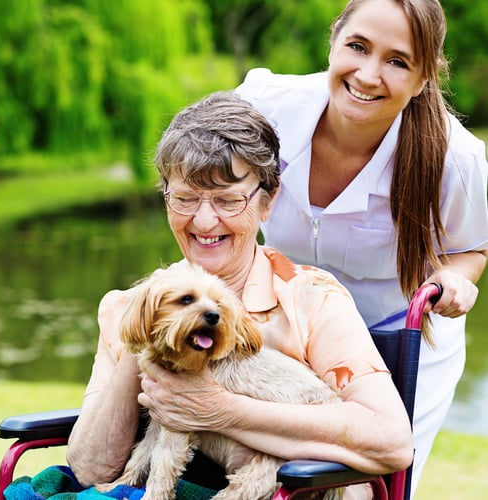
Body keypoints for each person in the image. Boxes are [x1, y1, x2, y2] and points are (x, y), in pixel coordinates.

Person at [63, 91, 413, 500]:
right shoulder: (128, 306)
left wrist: (220, 409)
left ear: (268, 202)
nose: (205, 220)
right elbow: (90, 469)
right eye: (185, 198)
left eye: (228, 200)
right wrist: (145, 339)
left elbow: (392, 441)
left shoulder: (312, 299)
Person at [233, 0, 488, 494]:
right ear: (333, 42)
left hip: (394, 343)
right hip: (284, 329)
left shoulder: (455, 159)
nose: (368, 75)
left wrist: (453, 280)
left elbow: (472, 247)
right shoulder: (266, 105)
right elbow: (204, 171)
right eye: (357, 47)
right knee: (262, 473)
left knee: (369, 485)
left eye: (397, 61)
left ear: (424, 78)